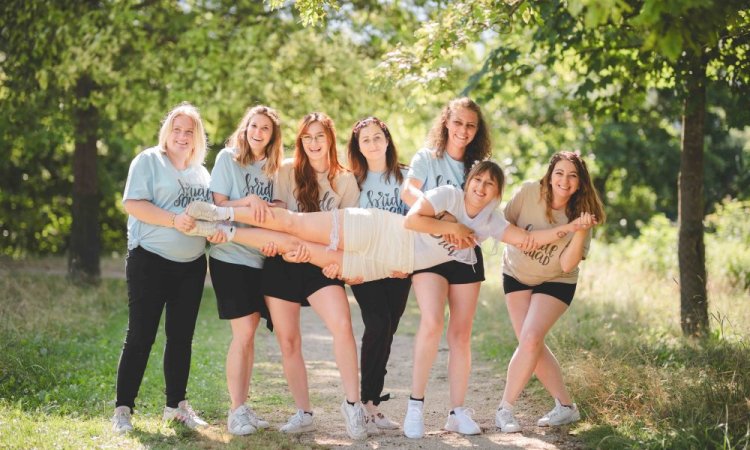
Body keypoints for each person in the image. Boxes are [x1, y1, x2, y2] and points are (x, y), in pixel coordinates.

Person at [182, 161, 593, 292]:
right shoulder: (449, 195)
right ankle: (223, 215)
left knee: (295, 249)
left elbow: (526, 237)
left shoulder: (489, 221)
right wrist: (453, 231)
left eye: (490, 185)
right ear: (469, 182)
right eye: (478, 181)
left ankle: (225, 233)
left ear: (496, 193)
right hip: (378, 230)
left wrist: (570, 227)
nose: (482, 189)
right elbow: (414, 220)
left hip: (388, 263)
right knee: (289, 223)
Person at [251, 112, 368, 440]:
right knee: (288, 341)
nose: (314, 143)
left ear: (331, 139)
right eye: (307, 137)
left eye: (320, 136)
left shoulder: (345, 180)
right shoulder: (286, 170)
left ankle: (353, 405)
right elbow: (274, 219)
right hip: (283, 262)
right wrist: (290, 247)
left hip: (322, 264)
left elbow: (350, 233)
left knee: (342, 326)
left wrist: (331, 260)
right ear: (300, 141)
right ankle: (304, 413)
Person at [111, 102, 225, 434]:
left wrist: (215, 232)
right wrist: (175, 220)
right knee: (140, 335)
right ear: (167, 132)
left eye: (189, 131)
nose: (182, 136)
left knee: (181, 338)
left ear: (197, 136)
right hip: (149, 261)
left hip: (190, 266)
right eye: (176, 129)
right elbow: (132, 204)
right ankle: (122, 410)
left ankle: (176, 407)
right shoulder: (149, 160)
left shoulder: (201, 173)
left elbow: (207, 217)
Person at [399, 97, 493, 438]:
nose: (464, 131)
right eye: (458, 123)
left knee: (461, 334)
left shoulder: (480, 167)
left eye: (471, 125)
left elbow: (488, 209)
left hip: (466, 254)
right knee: (433, 321)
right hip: (428, 253)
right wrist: (445, 219)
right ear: (446, 123)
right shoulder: (428, 157)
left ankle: (456, 411)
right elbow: (409, 192)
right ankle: (415, 406)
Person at [494, 151, 606, 434]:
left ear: (580, 183)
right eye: (559, 173)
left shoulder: (582, 214)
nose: (564, 180)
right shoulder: (529, 192)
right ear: (549, 174)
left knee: (531, 338)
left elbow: (567, 263)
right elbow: (502, 225)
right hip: (516, 274)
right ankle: (566, 408)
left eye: (572, 175)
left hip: (557, 280)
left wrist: (579, 230)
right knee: (530, 343)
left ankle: (504, 409)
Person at [207, 105, 283, 435]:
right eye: (254, 125)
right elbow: (217, 205)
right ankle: (235, 411)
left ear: (272, 135)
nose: (258, 132)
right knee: (243, 335)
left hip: (260, 259)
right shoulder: (228, 158)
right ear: (245, 127)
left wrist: (269, 211)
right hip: (230, 256)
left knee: (250, 336)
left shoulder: (276, 168)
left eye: (265, 128)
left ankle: (244, 405)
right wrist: (249, 201)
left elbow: (281, 207)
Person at [345, 117, 411, 432]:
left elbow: (417, 222)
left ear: (387, 140)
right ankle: (364, 403)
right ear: (358, 147)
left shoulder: (407, 177)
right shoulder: (351, 181)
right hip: (366, 264)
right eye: (365, 140)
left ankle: (373, 404)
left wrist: (409, 263)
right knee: (378, 323)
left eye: (376, 137)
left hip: (399, 266)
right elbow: (344, 224)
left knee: (388, 331)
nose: (372, 144)